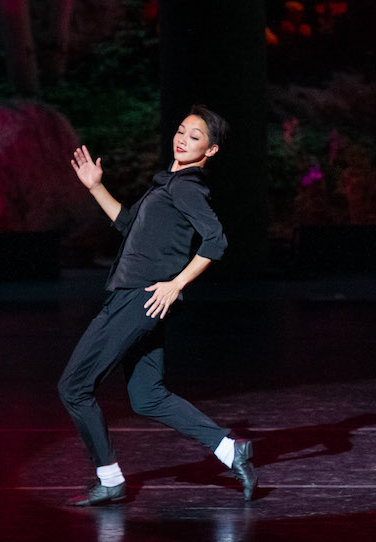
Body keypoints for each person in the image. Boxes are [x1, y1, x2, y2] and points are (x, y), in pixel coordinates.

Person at [58, 105, 257, 506]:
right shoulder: (170, 185)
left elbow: (216, 241)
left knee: (74, 388)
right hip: (139, 297)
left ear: (212, 150)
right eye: (181, 131)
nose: (182, 139)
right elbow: (130, 226)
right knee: (147, 395)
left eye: (195, 136)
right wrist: (96, 187)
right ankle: (229, 450)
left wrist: (176, 283)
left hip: (137, 299)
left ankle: (110, 478)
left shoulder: (186, 187)